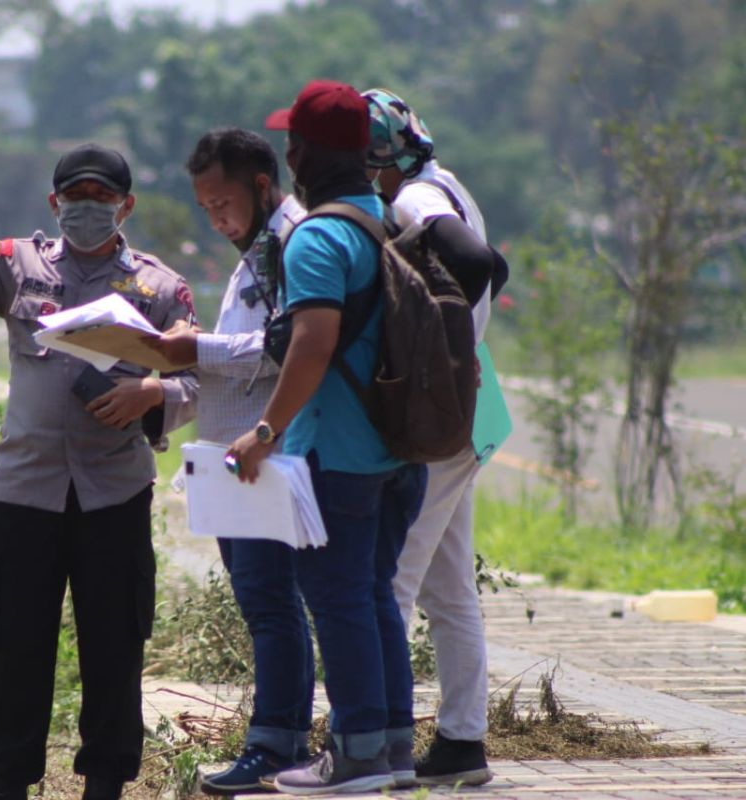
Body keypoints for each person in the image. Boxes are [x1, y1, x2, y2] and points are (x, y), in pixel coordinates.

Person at [0, 143, 198, 800]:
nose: (88, 210)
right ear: (54, 204)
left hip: (113, 491)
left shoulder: (160, 287)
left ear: (127, 206)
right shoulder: (16, 265)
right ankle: (7, 781)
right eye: (76, 199)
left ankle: (106, 782)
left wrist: (154, 395)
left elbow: (199, 381)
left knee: (114, 647)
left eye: (102, 199)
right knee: (15, 648)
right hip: (26, 490)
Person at [226, 80, 428, 795]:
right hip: (399, 451)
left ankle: (355, 755)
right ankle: (394, 749)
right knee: (373, 596)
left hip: (337, 453)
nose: (289, 154)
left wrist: (263, 432)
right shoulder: (390, 218)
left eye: (293, 142)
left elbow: (311, 345)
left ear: (303, 152)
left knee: (338, 599)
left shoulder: (321, 235)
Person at [148, 128, 314, 794]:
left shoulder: (290, 244)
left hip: (259, 451)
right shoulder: (261, 248)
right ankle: (280, 741)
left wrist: (199, 351)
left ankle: (276, 746)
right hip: (233, 457)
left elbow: (288, 350)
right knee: (264, 604)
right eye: (205, 206)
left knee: (273, 605)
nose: (215, 218)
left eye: (223, 202)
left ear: (262, 186)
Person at [364, 87, 503, 787]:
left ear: (378, 161)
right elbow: (487, 267)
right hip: (476, 406)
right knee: (448, 591)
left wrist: (441, 343)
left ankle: (379, 739)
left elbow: (477, 262)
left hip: (446, 409)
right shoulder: (442, 182)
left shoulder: (416, 199)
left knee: (389, 579)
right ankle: (462, 742)